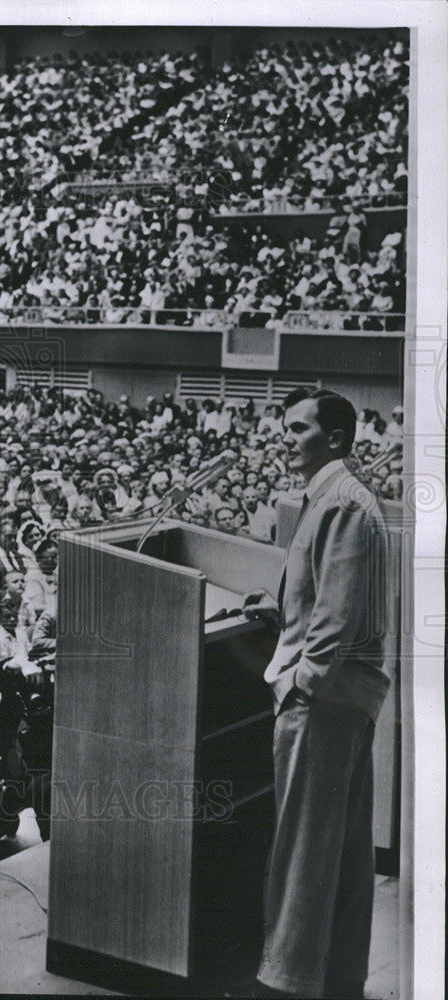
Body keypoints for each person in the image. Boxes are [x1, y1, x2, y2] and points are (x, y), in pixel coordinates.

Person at [239, 389, 388, 999]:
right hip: (342, 700)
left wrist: (299, 685)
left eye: (298, 428)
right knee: (346, 852)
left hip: (321, 704)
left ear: (335, 439)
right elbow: (322, 597)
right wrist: (279, 613)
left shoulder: (343, 503)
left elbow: (336, 616)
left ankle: (285, 983)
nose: (286, 437)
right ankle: (340, 977)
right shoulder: (333, 498)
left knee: (302, 848)